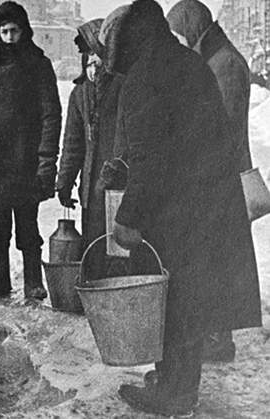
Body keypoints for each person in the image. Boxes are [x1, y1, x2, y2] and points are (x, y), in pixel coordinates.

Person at [99, 1, 260, 416]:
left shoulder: (143, 77)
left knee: (173, 301)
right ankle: (175, 378)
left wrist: (129, 218)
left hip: (177, 209)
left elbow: (152, 157)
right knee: (187, 301)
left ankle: (175, 393)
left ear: (125, 40)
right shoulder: (186, 61)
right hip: (204, 203)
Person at [167, 0, 253, 362]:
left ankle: (220, 339)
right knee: (212, 259)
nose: (178, 40)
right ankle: (215, 333)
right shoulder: (213, 58)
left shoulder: (226, 65)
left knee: (220, 259)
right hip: (213, 176)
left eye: (178, 31)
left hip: (222, 180)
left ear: (192, 26)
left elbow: (224, 128)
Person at [0, 1, 62, 299]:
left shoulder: (37, 63)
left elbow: (51, 114)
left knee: (27, 226)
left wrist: (46, 162)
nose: (9, 37)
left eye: (14, 31)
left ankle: (33, 281)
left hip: (25, 161)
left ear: (24, 30)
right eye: (3, 31)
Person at [55, 19, 124, 281]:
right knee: (94, 244)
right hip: (91, 186)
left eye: (97, 54)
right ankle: (96, 297)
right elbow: (73, 142)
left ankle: (121, 296)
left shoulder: (122, 87)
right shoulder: (79, 93)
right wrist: (64, 181)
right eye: (88, 56)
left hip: (119, 183)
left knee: (120, 246)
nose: (92, 63)